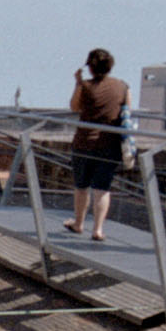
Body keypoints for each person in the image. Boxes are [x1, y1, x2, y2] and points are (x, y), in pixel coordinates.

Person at [67, 47, 130, 242]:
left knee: (81, 186)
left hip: (84, 143)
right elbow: (127, 111)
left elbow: (74, 106)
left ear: (91, 68)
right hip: (109, 144)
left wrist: (78, 83)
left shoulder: (85, 86)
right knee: (102, 189)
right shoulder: (123, 86)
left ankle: (78, 224)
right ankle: (98, 229)